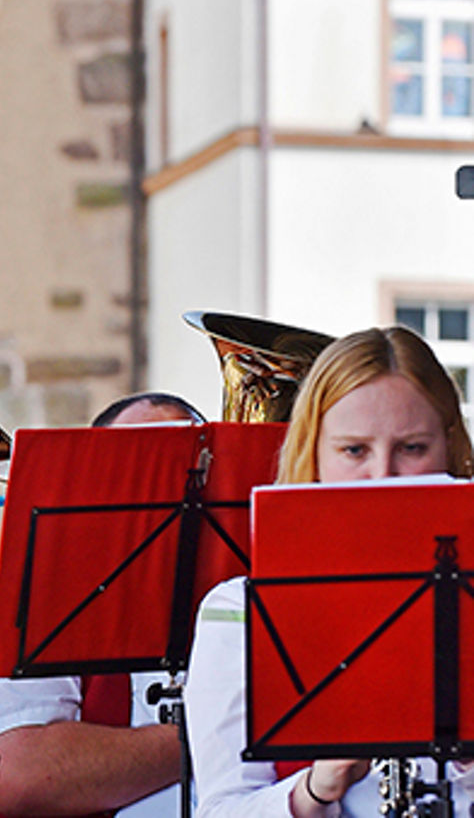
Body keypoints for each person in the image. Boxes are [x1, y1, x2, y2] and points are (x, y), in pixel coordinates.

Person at [185, 325, 474, 817]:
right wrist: (314, 790)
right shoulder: (238, 611)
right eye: (354, 450)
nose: (382, 476)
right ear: (313, 452)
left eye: (412, 448)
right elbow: (221, 810)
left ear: (450, 446)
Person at [0, 391, 206, 818]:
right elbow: (20, 774)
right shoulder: (37, 596)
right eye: (140, 465)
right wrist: (221, 733)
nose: (170, 483)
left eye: (190, 463)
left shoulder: (249, 594)